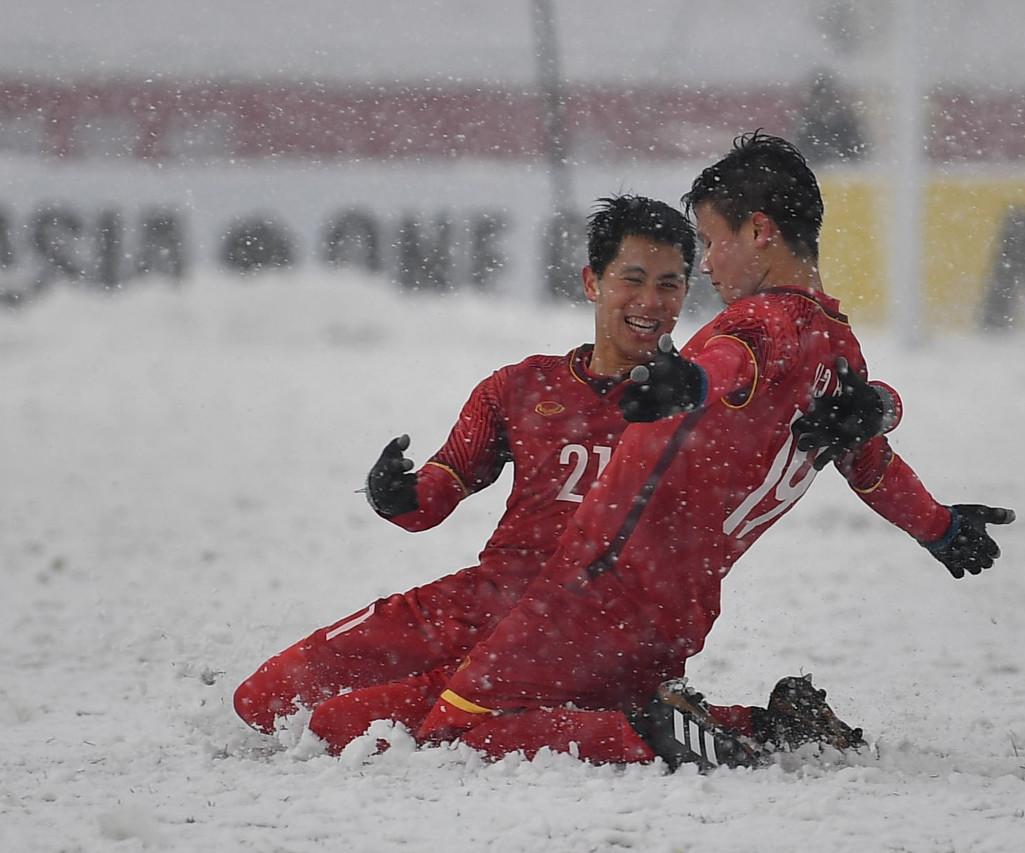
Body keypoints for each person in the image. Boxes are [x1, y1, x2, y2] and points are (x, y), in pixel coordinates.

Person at [412, 132, 1014, 769]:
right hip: (685, 608)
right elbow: (871, 464)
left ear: (758, 232)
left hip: (601, 587)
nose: (705, 264)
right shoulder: (839, 349)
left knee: (449, 734)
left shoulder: (757, 323)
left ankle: (656, 737)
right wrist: (938, 526)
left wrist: (686, 381)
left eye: (709, 240)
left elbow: (733, 361)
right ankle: (772, 728)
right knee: (568, 708)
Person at [232, 194, 862, 761]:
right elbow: (434, 497)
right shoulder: (522, 388)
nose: (650, 304)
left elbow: (799, 391)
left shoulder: (703, 397)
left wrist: (874, 408)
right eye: (632, 280)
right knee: (265, 705)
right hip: (477, 608)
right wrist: (394, 493)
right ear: (593, 281)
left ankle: (676, 732)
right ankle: (754, 727)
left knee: (343, 727)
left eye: (670, 286)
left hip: (594, 628)